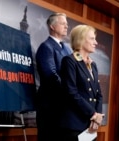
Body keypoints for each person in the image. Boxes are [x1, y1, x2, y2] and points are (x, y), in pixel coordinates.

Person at [58, 24, 104, 141]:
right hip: (74, 125)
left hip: (90, 125)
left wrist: (97, 117)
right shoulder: (70, 61)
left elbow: (98, 94)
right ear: (81, 40)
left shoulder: (92, 65)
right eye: (92, 39)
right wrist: (93, 114)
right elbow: (71, 92)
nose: (96, 43)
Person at [35, 12, 72, 141]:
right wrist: (70, 91)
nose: (66, 26)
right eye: (63, 24)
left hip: (64, 109)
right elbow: (51, 76)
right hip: (50, 108)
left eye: (67, 24)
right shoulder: (46, 47)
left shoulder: (67, 49)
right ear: (52, 26)